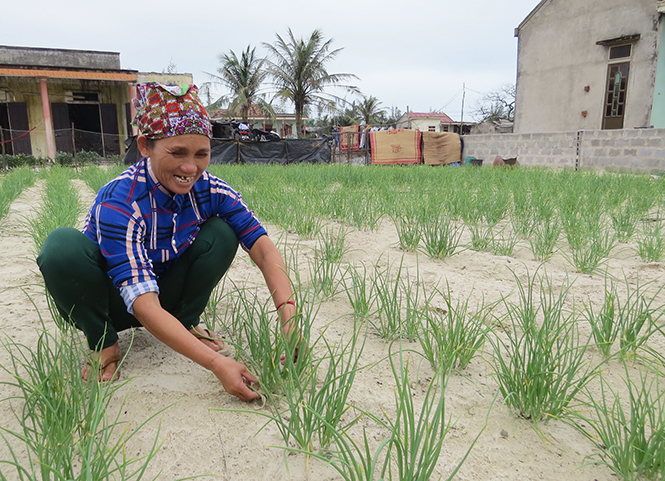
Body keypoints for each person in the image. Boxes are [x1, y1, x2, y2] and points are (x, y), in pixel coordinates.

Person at [37, 83, 301, 402]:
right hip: (111, 300)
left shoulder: (210, 190)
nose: (190, 167)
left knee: (223, 231)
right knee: (61, 247)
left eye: (201, 154)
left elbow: (261, 246)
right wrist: (217, 364)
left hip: (163, 294)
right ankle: (103, 342)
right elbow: (143, 303)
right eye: (177, 153)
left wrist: (290, 316)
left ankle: (185, 321)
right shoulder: (121, 201)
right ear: (146, 146)